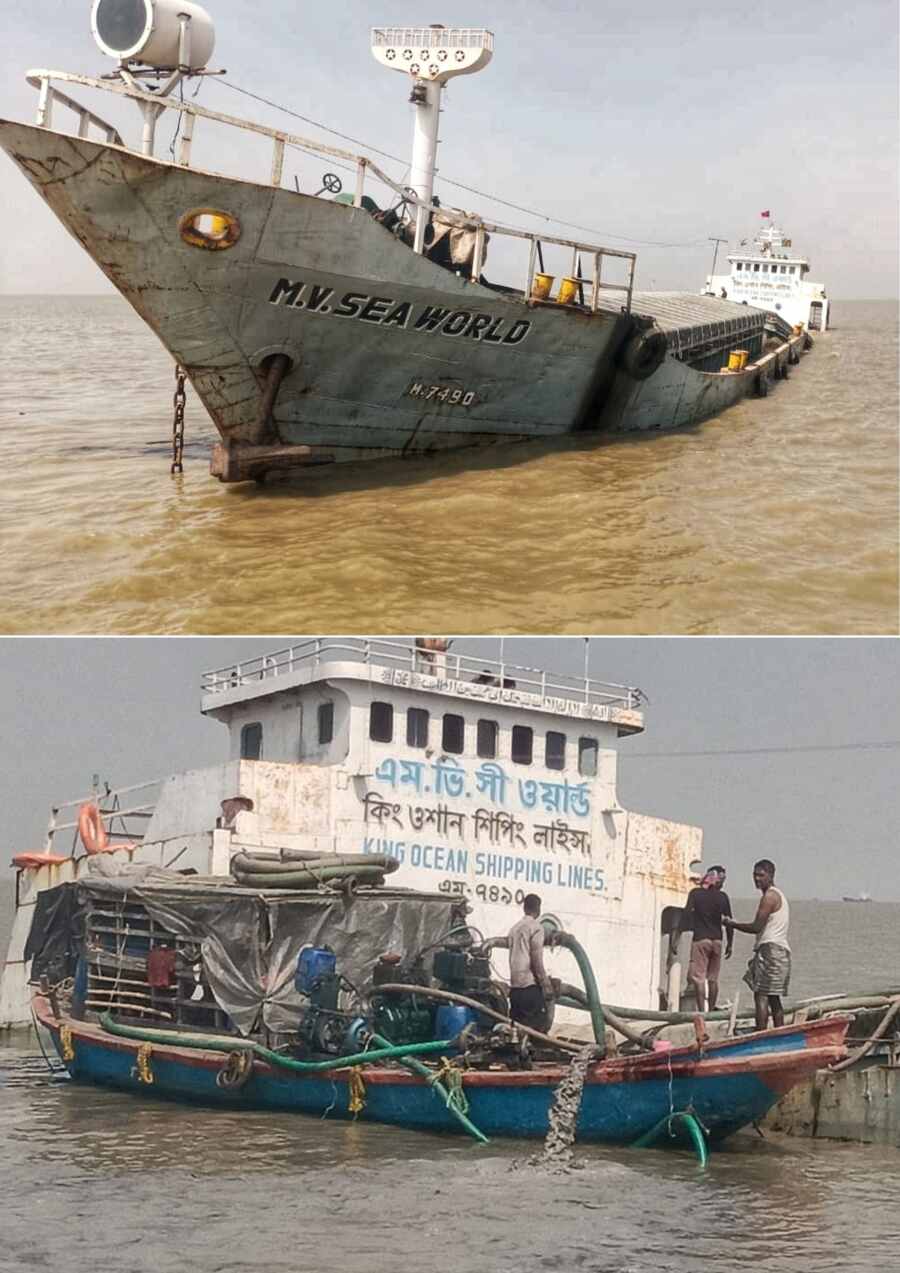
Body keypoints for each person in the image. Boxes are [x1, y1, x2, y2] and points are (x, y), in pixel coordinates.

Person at [723, 859, 790, 1030]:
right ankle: (779, 1034)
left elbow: (756, 927)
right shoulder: (778, 895)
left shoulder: (769, 897)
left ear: (771, 876)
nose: (757, 879)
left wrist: (731, 923)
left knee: (760, 995)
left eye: (761, 875)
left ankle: (761, 1036)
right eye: (755, 875)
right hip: (781, 952)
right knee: (774, 998)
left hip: (770, 951)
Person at [669, 866, 733, 1012]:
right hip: (717, 941)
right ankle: (711, 1010)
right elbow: (729, 922)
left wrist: (677, 936)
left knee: (699, 979)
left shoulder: (696, 894)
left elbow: (685, 914)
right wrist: (730, 944)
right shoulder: (723, 897)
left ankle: (702, 1012)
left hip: (700, 940)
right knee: (713, 979)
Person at [507, 894, 554, 1032]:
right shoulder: (536, 928)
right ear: (538, 908)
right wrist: (546, 984)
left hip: (515, 989)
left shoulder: (514, 929)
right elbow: (536, 960)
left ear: (524, 908)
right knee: (536, 1032)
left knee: (516, 1033)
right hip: (529, 988)